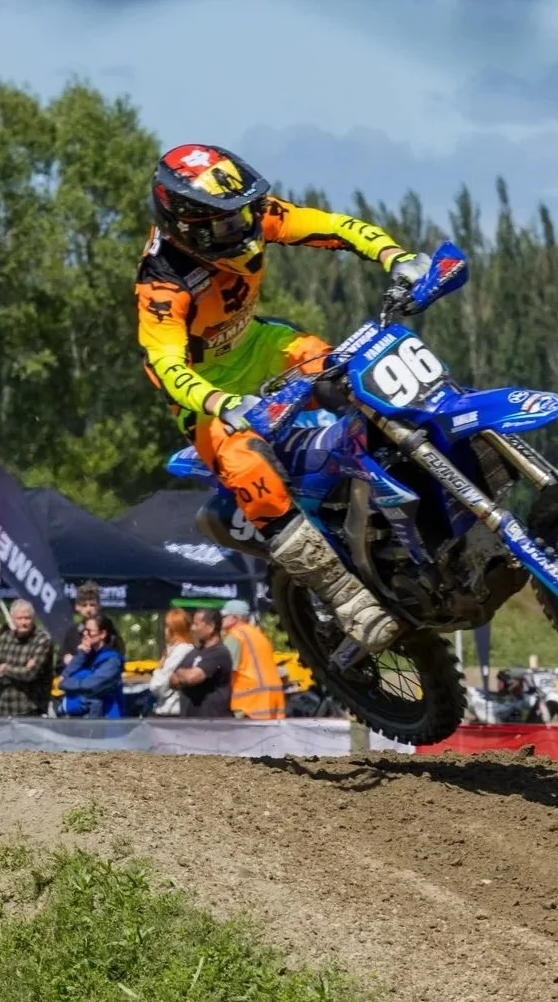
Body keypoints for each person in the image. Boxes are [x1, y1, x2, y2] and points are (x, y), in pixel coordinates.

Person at [137, 144, 432, 653]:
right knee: (246, 467)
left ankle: (405, 475)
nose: (247, 230)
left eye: (245, 214)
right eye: (228, 224)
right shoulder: (160, 283)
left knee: (347, 368)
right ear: (189, 228)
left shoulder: (246, 215)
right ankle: (343, 596)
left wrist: (396, 257)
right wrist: (219, 403)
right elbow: (165, 365)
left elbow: (330, 226)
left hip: (257, 344)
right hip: (203, 388)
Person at [219, 598, 285, 720]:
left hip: (250, 700)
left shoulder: (235, 636)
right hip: (273, 694)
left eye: (224, 616)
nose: (221, 620)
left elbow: (227, 671)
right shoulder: (259, 635)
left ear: (235, 618)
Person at [0, 600, 55, 716]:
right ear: (12, 619)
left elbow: (30, 674)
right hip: (3, 707)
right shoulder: (5, 637)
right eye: (19, 618)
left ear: (33, 618)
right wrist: (21, 670)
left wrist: (5, 668)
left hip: (30, 708)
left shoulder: (42, 639)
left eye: (27, 618)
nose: (23, 622)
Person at [169, 606, 232, 719]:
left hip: (211, 723)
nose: (192, 628)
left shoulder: (219, 653)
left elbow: (193, 678)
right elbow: (172, 680)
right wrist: (183, 675)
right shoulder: (194, 652)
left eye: (196, 624)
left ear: (211, 627)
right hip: (188, 722)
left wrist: (182, 674)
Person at [57, 614, 125, 718]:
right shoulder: (87, 655)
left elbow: (91, 685)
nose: (85, 634)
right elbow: (66, 674)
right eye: (84, 630)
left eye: (89, 631)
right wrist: (81, 654)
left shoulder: (112, 661)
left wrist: (64, 684)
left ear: (102, 634)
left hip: (107, 718)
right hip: (87, 717)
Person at [60, 582, 122, 667]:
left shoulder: (108, 628)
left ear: (99, 606)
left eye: (92, 605)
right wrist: (68, 660)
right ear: (77, 607)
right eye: (84, 605)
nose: (88, 609)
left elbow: (118, 654)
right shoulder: (73, 632)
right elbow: (60, 663)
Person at [147, 607, 194, 716]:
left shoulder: (182, 650)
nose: (165, 630)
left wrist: (158, 670)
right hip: (164, 709)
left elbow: (157, 686)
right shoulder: (172, 650)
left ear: (174, 630)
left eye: (167, 626)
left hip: (172, 713)